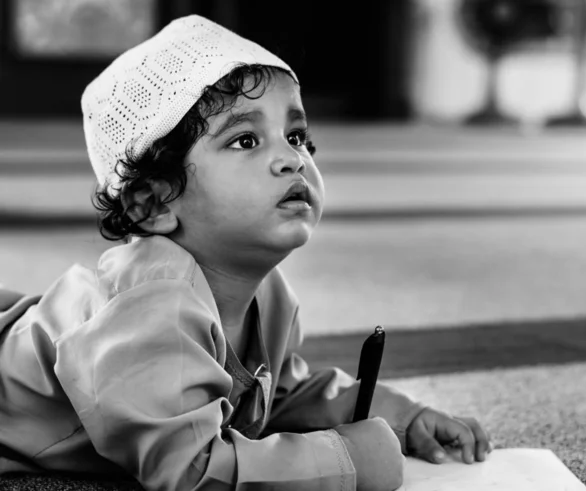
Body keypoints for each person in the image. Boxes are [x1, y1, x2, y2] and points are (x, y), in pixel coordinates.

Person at [0, 15, 491, 491]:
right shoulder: (152, 311)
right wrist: (347, 463)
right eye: (246, 140)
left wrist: (402, 417)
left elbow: (276, 398)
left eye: (296, 136)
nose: (292, 158)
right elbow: (191, 471)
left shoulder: (269, 295)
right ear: (153, 203)